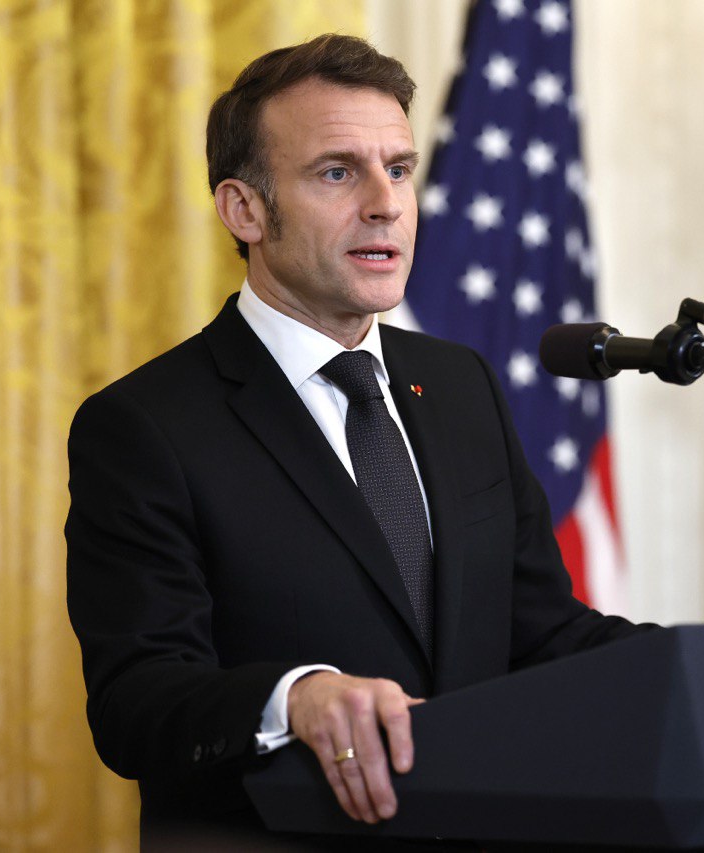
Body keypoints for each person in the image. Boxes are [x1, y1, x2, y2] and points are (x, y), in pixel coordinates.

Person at [65, 34, 648, 848]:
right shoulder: (144, 426)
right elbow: (136, 702)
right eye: (338, 173)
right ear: (245, 209)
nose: (386, 204)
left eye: (399, 169)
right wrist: (296, 698)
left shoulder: (461, 385)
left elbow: (543, 632)